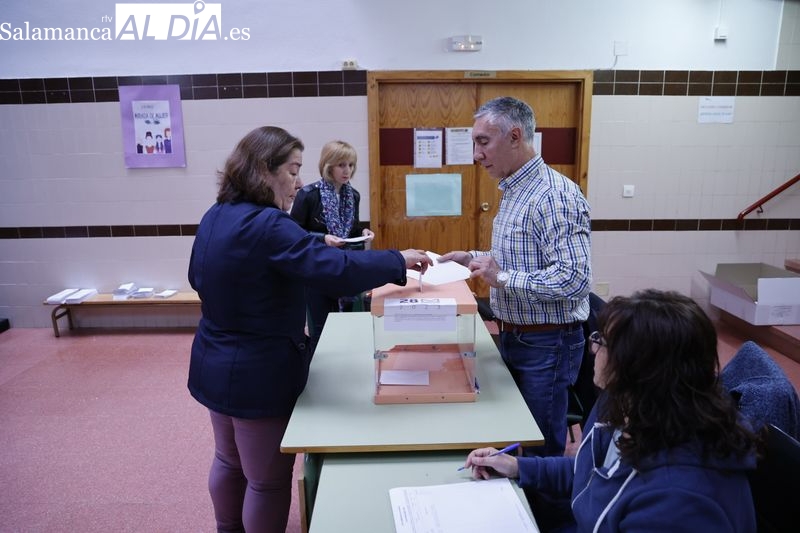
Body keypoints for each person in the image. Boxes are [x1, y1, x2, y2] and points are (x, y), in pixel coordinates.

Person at [187, 126, 432, 533]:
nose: (299, 182)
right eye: (293, 170)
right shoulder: (268, 224)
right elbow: (336, 274)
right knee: (266, 481)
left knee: (228, 460)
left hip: (213, 357)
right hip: (257, 371)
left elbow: (199, 276)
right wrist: (397, 260)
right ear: (264, 171)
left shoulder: (217, 214)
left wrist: (312, 244)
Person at [462, 289, 759, 532]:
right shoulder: (627, 408)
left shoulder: (678, 502)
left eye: (601, 342)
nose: (593, 349)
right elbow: (588, 469)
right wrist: (517, 468)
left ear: (638, 369)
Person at [440, 96, 592, 457]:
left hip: (547, 343)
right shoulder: (515, 189)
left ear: (515, 136)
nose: (476, 154)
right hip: (516, 336)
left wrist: (503, 279)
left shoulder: (553, 196)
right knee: (511, 434)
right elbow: (519, 259)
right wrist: (473, 258)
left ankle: (547, 514)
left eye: (483, 142)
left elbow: (575, 279)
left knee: (538, 445)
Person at [289, 140, 375, 352]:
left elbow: (351, 231)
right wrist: (323, 238)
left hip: (345, 269)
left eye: (351, 165)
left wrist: (362, 233)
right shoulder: (308, 195)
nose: (348, 171)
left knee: (349, 329)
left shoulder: (352, 195)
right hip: (317, 271)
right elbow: (293, 235)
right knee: (321, 331)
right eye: (342, 165)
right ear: (328, 166)